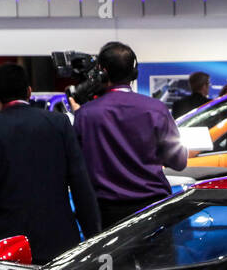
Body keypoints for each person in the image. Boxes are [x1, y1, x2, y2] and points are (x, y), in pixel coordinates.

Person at [0, 63, 99, 266]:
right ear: (29, 91)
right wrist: (93, 236)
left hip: (6, 247)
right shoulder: (59, 124)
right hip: (59, 242)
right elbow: (81, 185)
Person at [73, 41, 188, 228]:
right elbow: (179, 162)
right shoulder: (156, 109)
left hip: (106, 215)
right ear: (134, 72)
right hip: (153, 209)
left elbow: (77, 167)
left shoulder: (85, 114)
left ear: (102, 71)